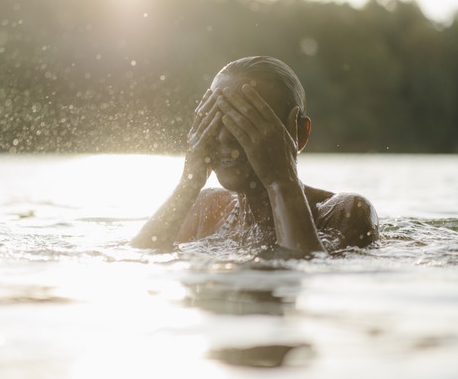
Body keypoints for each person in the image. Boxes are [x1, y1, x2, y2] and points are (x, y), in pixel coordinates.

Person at [131, 56, 378, 256]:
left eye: (246, 121)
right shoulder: (207, 209)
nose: (225, 138)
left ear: (299, 135)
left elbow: (304, 270)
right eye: (216, 120)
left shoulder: (343, 212)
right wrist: (188, 184)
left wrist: (280, 181)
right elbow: (140, 259)